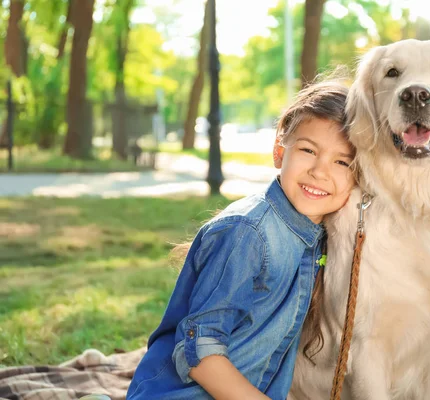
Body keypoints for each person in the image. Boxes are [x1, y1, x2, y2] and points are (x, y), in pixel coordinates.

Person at [127, 81, 356, 400]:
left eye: (342, 161)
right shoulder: (248, 233)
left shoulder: (318, 236)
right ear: (280, 151)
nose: (320, 171)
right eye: (308, 150)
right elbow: (200, 354)